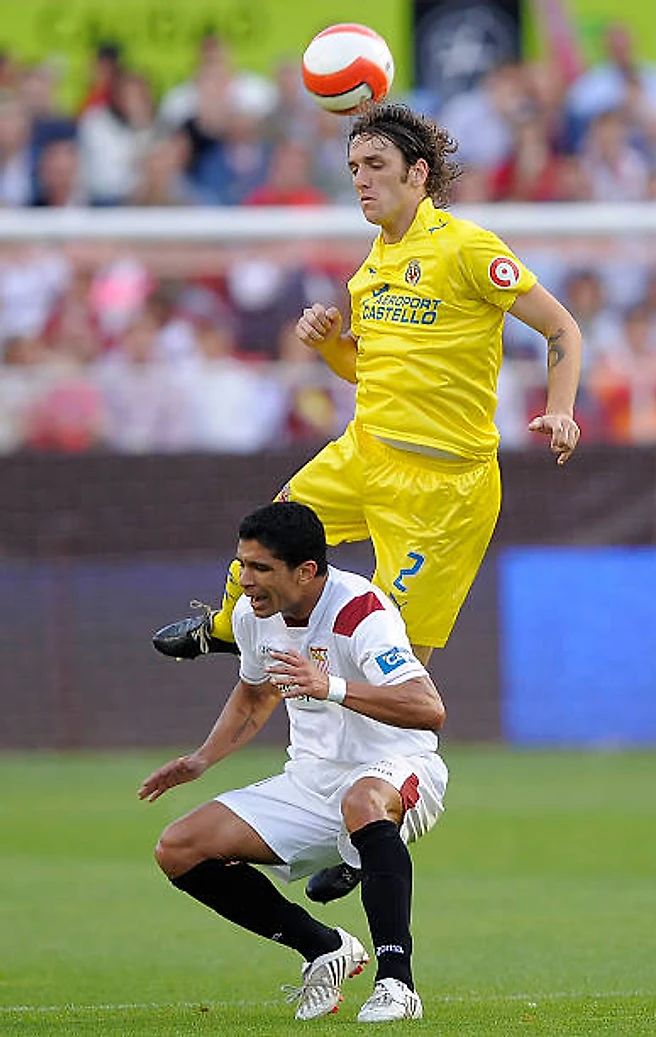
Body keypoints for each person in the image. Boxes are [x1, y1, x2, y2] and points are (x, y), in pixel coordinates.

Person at [152, 101, 582, 897]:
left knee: (392, 657)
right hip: (366, 452)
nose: (362, 181)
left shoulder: (468, 250)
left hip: (444, 489)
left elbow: (561, 330)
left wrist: (561, 406)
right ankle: (220, 629)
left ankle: (367, 830)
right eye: (353, 169)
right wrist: (330, 349)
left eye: (376, 167)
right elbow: (375, 374)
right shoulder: (370, 266)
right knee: (268, 534)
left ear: (419, 175)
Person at [140, 502, 447, 1023]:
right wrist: (201, 760)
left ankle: (397, 984)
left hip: (396, 767)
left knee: (363, 799)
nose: (245, 580)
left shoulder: (360, 612)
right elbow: (255, 696)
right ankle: (325, 948)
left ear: (306, 571)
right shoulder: (251, 616)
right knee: (179, 848)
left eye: (260, 568)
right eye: (242, 565)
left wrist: (332, 687)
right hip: (310, 782)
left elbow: (428, 708)